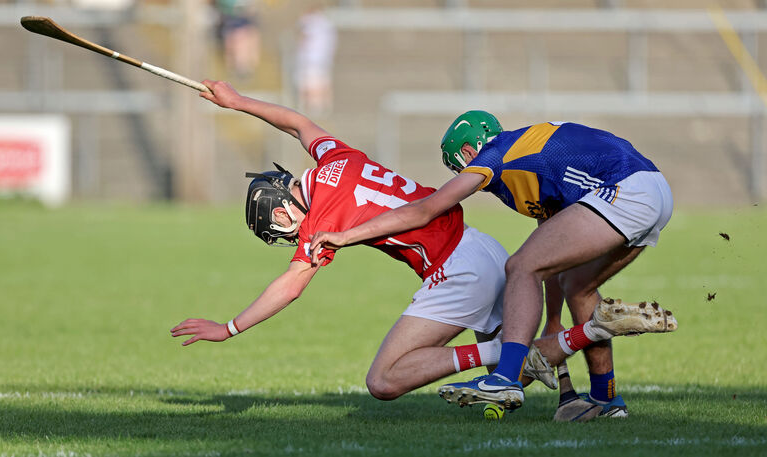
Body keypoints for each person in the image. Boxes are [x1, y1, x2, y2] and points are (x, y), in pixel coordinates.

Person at [169, 84, 674, 404]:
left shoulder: (323, 215)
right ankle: (586, 398)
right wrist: (238, 103)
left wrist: (230, 328)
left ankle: (543, 349)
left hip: (457, 266)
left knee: (384, 381)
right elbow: (299, 124)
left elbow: (291, 285)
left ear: (283, 209)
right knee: (541, 316)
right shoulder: (333, 157)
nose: (286, 236)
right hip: (481, 247)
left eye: (278, 228)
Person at [308, 111, 676, 416]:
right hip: (651, 189)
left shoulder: (497, 153)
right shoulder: (528, 163)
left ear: (469, 150)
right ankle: (607, 400)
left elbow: (428, 208)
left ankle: (505, 378)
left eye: (460, 167)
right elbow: (553, 258)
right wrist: (550, 320)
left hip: (626, 189)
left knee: (519, 266)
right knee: (578, 287)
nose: (464, 176)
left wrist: (345, 235)